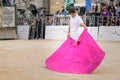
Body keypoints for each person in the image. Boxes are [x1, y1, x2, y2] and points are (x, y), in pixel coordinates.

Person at [45, 7, 105, 74]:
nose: (71, 15)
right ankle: (69, 63)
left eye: (72, 14)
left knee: (73, 52)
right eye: (70, 14)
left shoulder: (78, 18)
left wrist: (85, 27)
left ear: (75, 13)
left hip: (75, 37)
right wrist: (68, 33)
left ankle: (73, 64)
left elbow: (81, 24)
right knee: (66, 51)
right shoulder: (71, 17)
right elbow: (70, 26)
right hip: (71, 36)